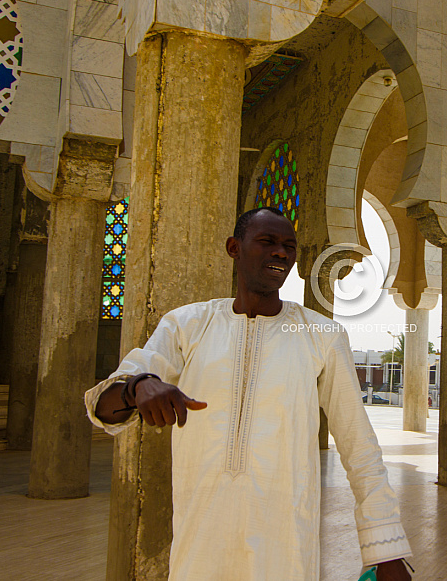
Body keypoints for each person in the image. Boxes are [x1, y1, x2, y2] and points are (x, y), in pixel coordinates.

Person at [85, 207, 413, 581]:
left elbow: (359, 446)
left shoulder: (321, 335)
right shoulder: (187, 325)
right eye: (268, 242)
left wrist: (387, 549)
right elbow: (104, 406)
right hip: (200, 548)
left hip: (284, 550)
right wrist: (138, 386)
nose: (281, 253)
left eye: (289, 247)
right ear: (234, 248)